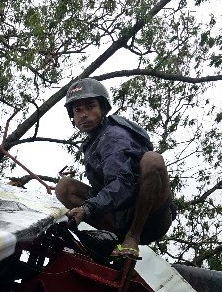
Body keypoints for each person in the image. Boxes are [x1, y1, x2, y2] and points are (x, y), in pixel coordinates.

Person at [55, 78, 175, 257]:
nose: (83, 114)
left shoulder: (114, 136)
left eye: (90, 106)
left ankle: (131, 238)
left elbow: (122, 184)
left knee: (153, 160)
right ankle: (113, 241)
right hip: (120, 215)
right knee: (65, 187)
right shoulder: (92, 140)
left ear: (103, 109)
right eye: (77, 110)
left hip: (150, 217)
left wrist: (87, 208)